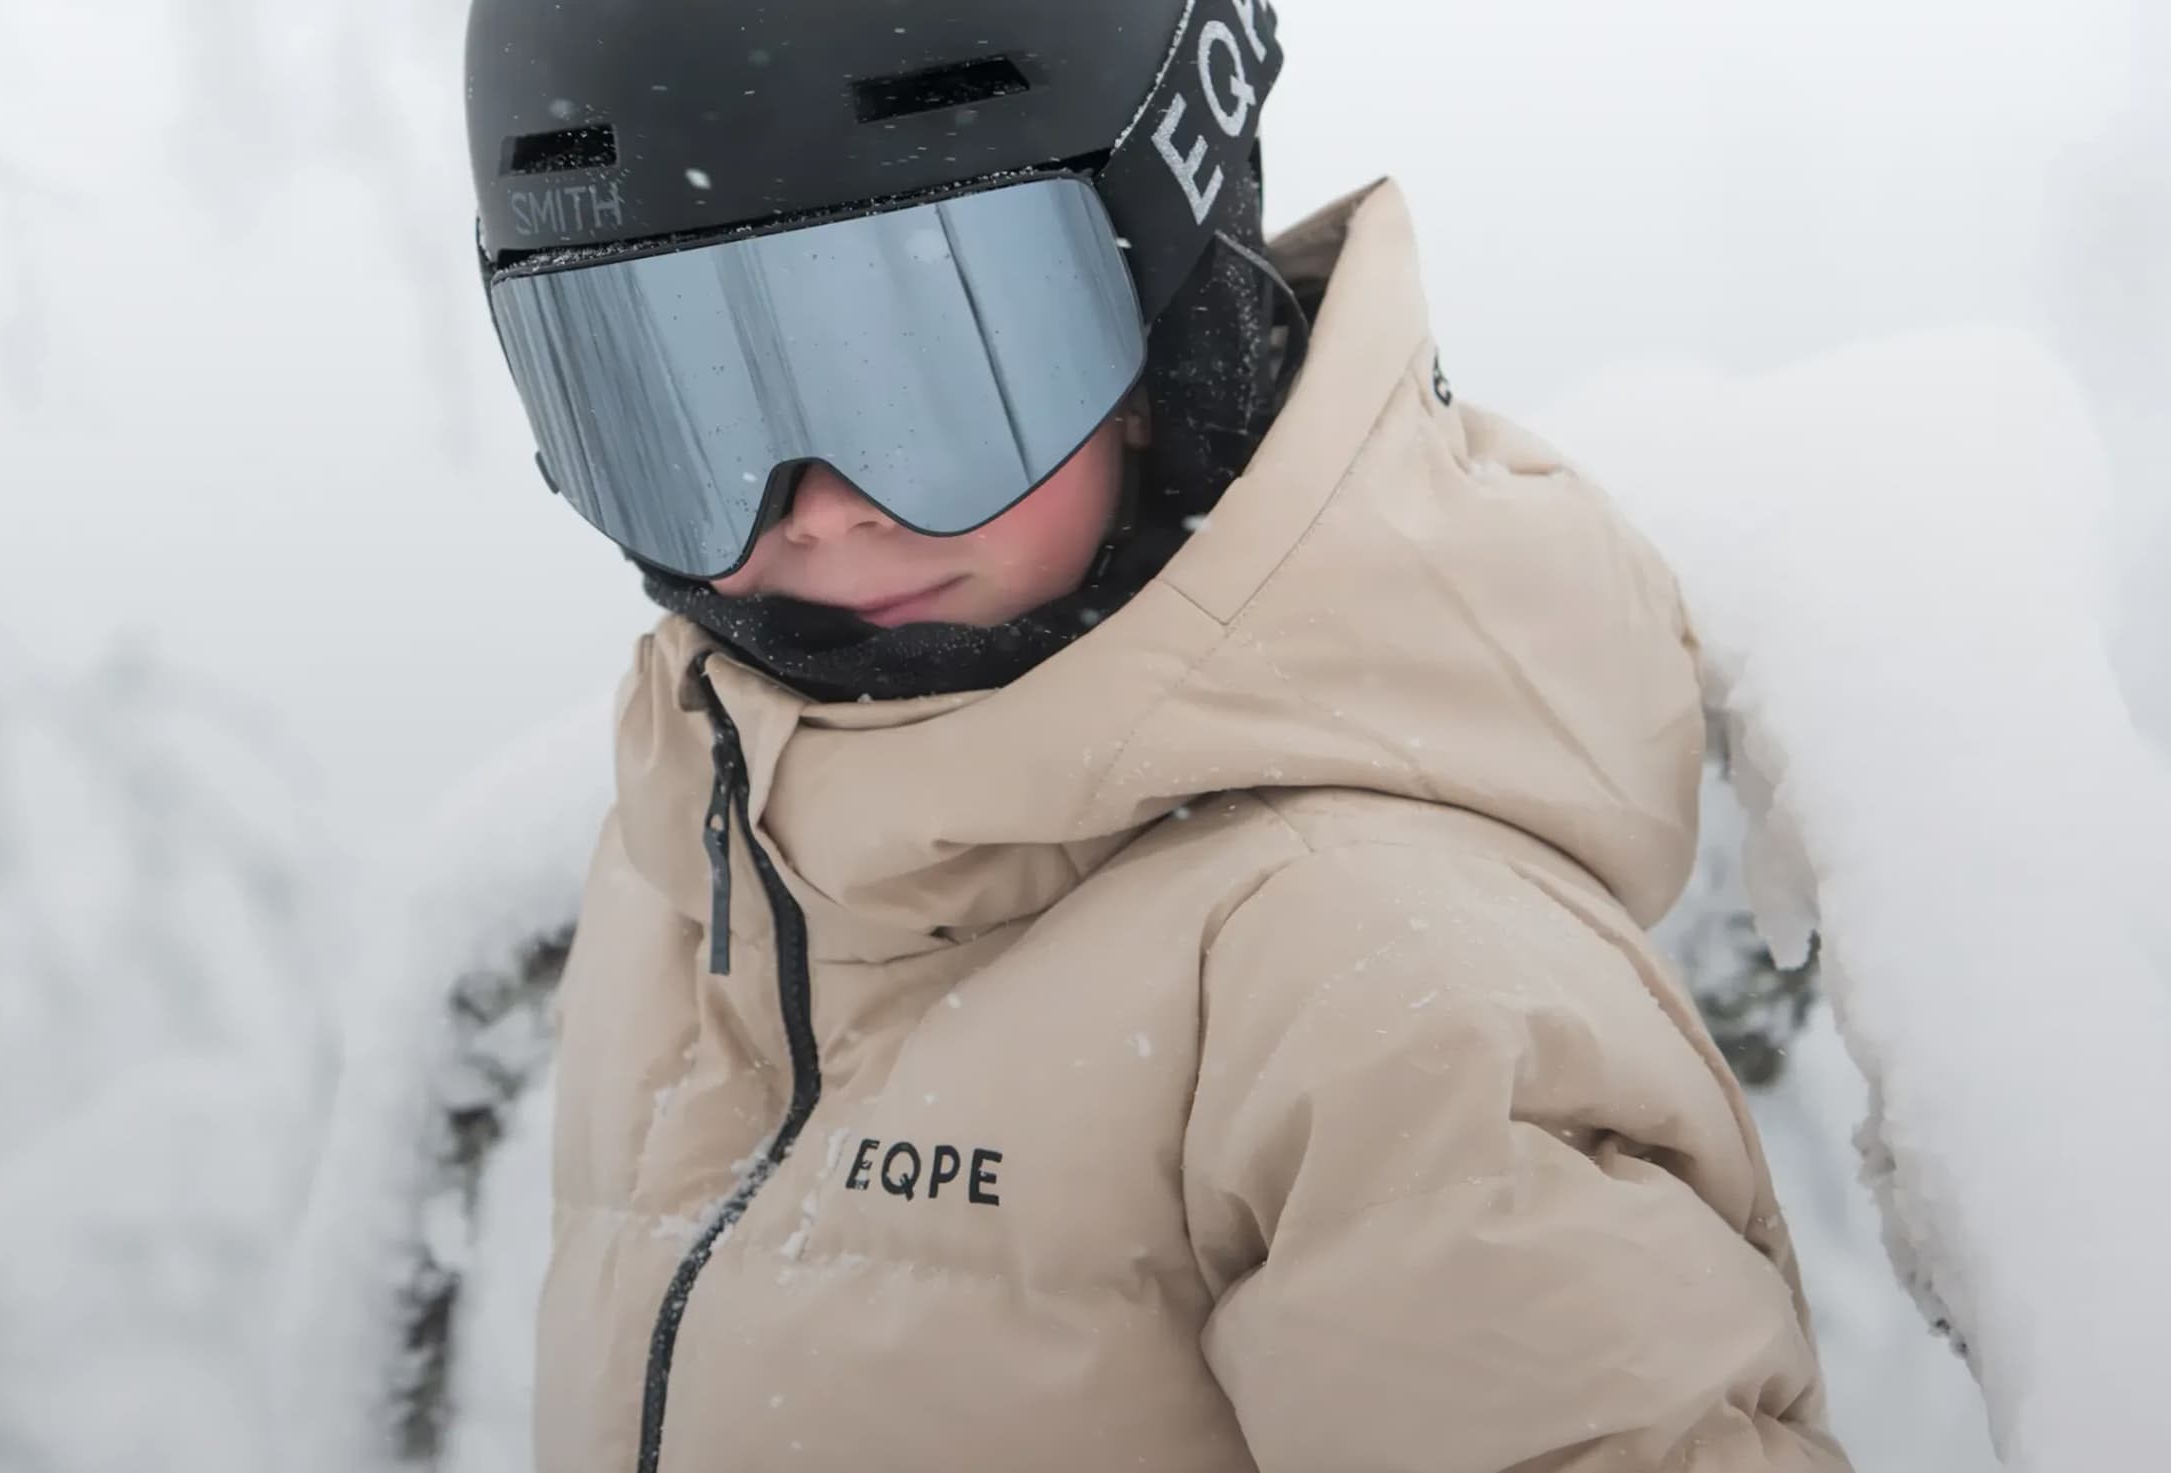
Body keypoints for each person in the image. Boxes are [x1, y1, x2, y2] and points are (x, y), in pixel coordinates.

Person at [465, 1, 1850, 1468]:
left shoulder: (1376, 996)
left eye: (923, 368)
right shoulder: (702, 861)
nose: (817, 509)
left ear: (1162, 323)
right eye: (682, 404)